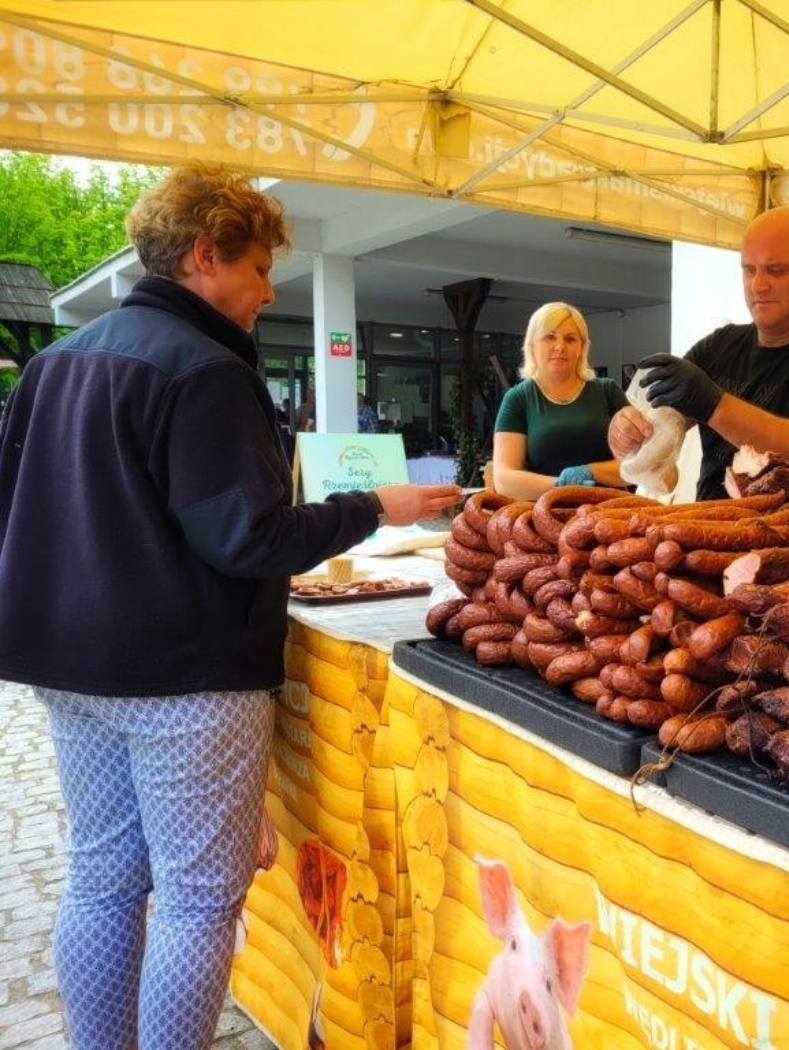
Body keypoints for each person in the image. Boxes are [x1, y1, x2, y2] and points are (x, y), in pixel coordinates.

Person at [0, 163, 461, 1050]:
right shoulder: (204, 371)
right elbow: (248, 540)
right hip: (183, 678)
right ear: (206, 256)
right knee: (197, 896)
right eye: (257, 267)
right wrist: (373, 508)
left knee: (101, 878)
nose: (268, 288)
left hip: (68, 666)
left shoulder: (54, 363)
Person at [607, 206, 789, 500]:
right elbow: (656, 427)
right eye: (749, 270)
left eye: (777, 270)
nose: (758, 285)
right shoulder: (718, 347)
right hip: (708, 536)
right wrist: (627, 431)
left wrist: (715, 406)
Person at [491, 301, 628, 500]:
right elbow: (504, 480)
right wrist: (562, 485)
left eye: (570, 339)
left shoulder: (607, 391)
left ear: (582, 347)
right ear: (532, 345)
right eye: (549, 337)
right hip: (541, 516)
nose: (560, 346)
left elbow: (636, 465)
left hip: (609, 516)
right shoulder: (518, 399)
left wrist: (591, 471)